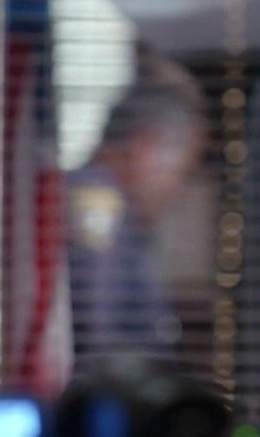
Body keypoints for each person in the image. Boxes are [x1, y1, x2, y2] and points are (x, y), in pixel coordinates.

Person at [65, 50, 208, 360]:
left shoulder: (123, 214)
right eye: (179, 171)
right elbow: (95, 335)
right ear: (146, 148)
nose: (175, 191)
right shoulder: (99, 204)